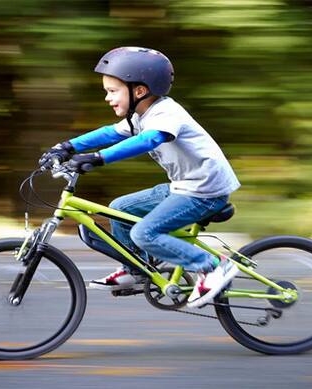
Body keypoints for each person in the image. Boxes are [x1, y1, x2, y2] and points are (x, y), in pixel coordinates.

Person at [39, 47, 241, 308]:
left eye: (112, 91)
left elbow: (150, 139)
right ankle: (136, 270)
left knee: (144, 233)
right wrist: (67, 146)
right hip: (184, 186)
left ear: (139, 91)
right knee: (119, 209)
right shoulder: (140, 116)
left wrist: (99, 158)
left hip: (205, 191)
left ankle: (214, 267)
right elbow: (109, 133)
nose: (107, 98)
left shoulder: (167, 114)